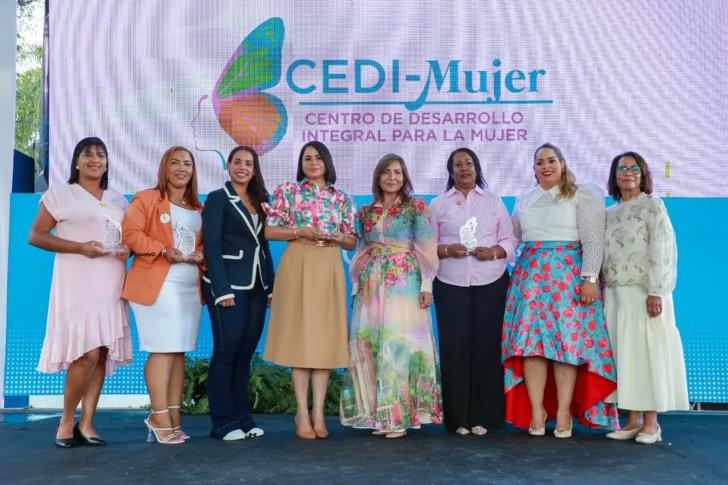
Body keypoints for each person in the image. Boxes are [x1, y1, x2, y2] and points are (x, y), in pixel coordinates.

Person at [502, 143, 620, 437]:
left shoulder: (581, 195)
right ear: (533, 168)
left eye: (551, 160)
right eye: (540, 162)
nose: (546, 166)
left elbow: (593, 240)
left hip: (568, 280)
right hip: (529, 281)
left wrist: (589, 278)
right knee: (530, 346)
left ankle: (564, 412)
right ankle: (537, 411)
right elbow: (512, 238)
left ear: (563, 163)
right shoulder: (524, 199)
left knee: (565, 345)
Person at [28, 137, 132, 448]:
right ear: (76, 161)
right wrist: (80, 248)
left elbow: (125, 237)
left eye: (101, 155)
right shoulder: (59, 195)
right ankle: (66, 420)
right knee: (86, 353)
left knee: (101, 351)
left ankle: (87, 423)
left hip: (111, 281)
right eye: (88, 154)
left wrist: (128, 249)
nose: (95, 160)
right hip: (77, 282)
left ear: (107, 163)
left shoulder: (117, 199)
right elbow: (36, 236)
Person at [340, 154, 442, 439]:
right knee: (371, 342)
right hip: (371, 282)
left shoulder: (414, 207)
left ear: (404, 177)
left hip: (403, 280)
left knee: (398, 343)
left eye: (397, 172)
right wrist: (356, 288)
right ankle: (377, 415)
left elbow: (426, 247)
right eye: (386, 172)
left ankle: (399, 416)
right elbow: (361, 250)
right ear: (378, 177)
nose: (392, 177)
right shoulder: (366, 211)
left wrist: (426, 285)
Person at [264, 141, 357, 440]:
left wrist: (340, 237)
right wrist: (300, 231)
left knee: (324, 337)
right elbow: (269, 230)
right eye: (307, 158)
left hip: (329, 262)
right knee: (300, 336)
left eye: (318, 157)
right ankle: (302, 413)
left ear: (327, 162)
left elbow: (352, 241)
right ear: (301, 163)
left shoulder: (342, 198)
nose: (313, 162)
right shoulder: (288, 191)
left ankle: (318, 413)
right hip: (298, 259)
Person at [429, 148, 517, 436]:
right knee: (454, 350)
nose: (464, 168)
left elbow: (510, 240)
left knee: (487, 350)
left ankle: (485, 417)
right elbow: (426, 245)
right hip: (450, 283)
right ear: (450, 171)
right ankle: (458, 420)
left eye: (469, 163)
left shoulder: (493, 201)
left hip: (491, 282)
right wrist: (446, 250)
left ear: (477, 168)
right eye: (458, 164)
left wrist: (494, 251)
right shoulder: (438, 204)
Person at [602, 152, 688, 444]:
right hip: (615, 295)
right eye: (622, 168)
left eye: (634, 168)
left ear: (643, 174)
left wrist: (656, 291)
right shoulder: (609, 213)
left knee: (647, 353)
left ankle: (652, 422)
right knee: (626, 356)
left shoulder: (653, 206)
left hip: (645, 293)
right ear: (614, 176)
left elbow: (662, 249)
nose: (628, 172)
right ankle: (633, 418)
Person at [122, 146, 204, 445]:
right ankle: (158, 417)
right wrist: (162, 249)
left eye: (187, 164)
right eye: (175, 162)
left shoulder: (199, 208)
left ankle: (173, 419)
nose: (181, 168)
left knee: (178, 351)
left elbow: (206, 243)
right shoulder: (146, 199)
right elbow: (130, 233)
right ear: (164, 168)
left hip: (189, 288)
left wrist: (201, 253)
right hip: (158, 284)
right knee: (163, 349)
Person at [201, 146, 275, 441]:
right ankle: (222, 422)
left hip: (257, 286)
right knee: (226, 351)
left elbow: (263, 246)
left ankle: (243, 418)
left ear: (255, 170)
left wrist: (271, 287)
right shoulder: (218, 198)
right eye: (237, 162)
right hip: (228, 286)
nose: (243, 167)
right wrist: (221, 290)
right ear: (228, 165)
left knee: (245, 352)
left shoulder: (261, 201)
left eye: (248, 163)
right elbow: (212, 245)